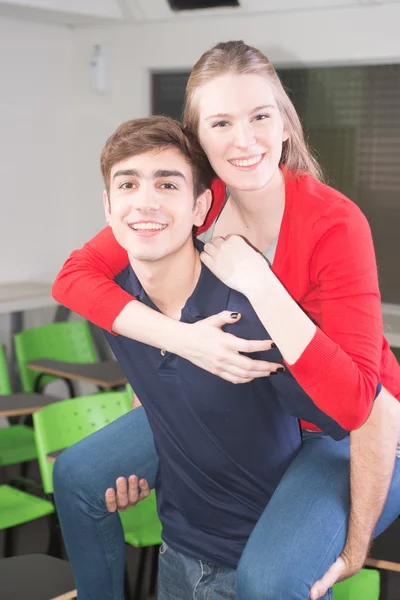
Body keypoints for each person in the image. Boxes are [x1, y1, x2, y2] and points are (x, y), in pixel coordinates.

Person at [52, 41, 400, 600]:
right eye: (220, 123)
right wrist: (185, 342)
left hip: (350, 432)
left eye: (260, 116)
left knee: (268, 580)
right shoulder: (200, 203)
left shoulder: (335, 223)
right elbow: (74, 278)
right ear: (198, 140)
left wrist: (258, 280)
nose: (244, 140)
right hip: (257, 405)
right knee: (76, 478)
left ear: (285, 123)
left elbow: (363, 406)